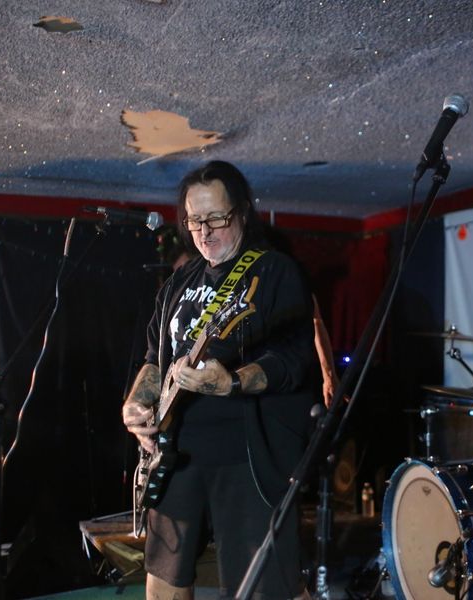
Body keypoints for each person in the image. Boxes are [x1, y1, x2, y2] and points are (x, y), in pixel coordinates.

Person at [122, 161, 316, 599]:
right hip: (175, 455)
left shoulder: (273, 272)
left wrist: (231, 383)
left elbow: (291, 360)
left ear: (243, 212)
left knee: (261, 587)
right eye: (194, 221)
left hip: (244, 457)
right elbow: (155, 359)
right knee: (163, 580)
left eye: (217, 218)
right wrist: (136, 404)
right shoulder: (180, 281)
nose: (205, 232)